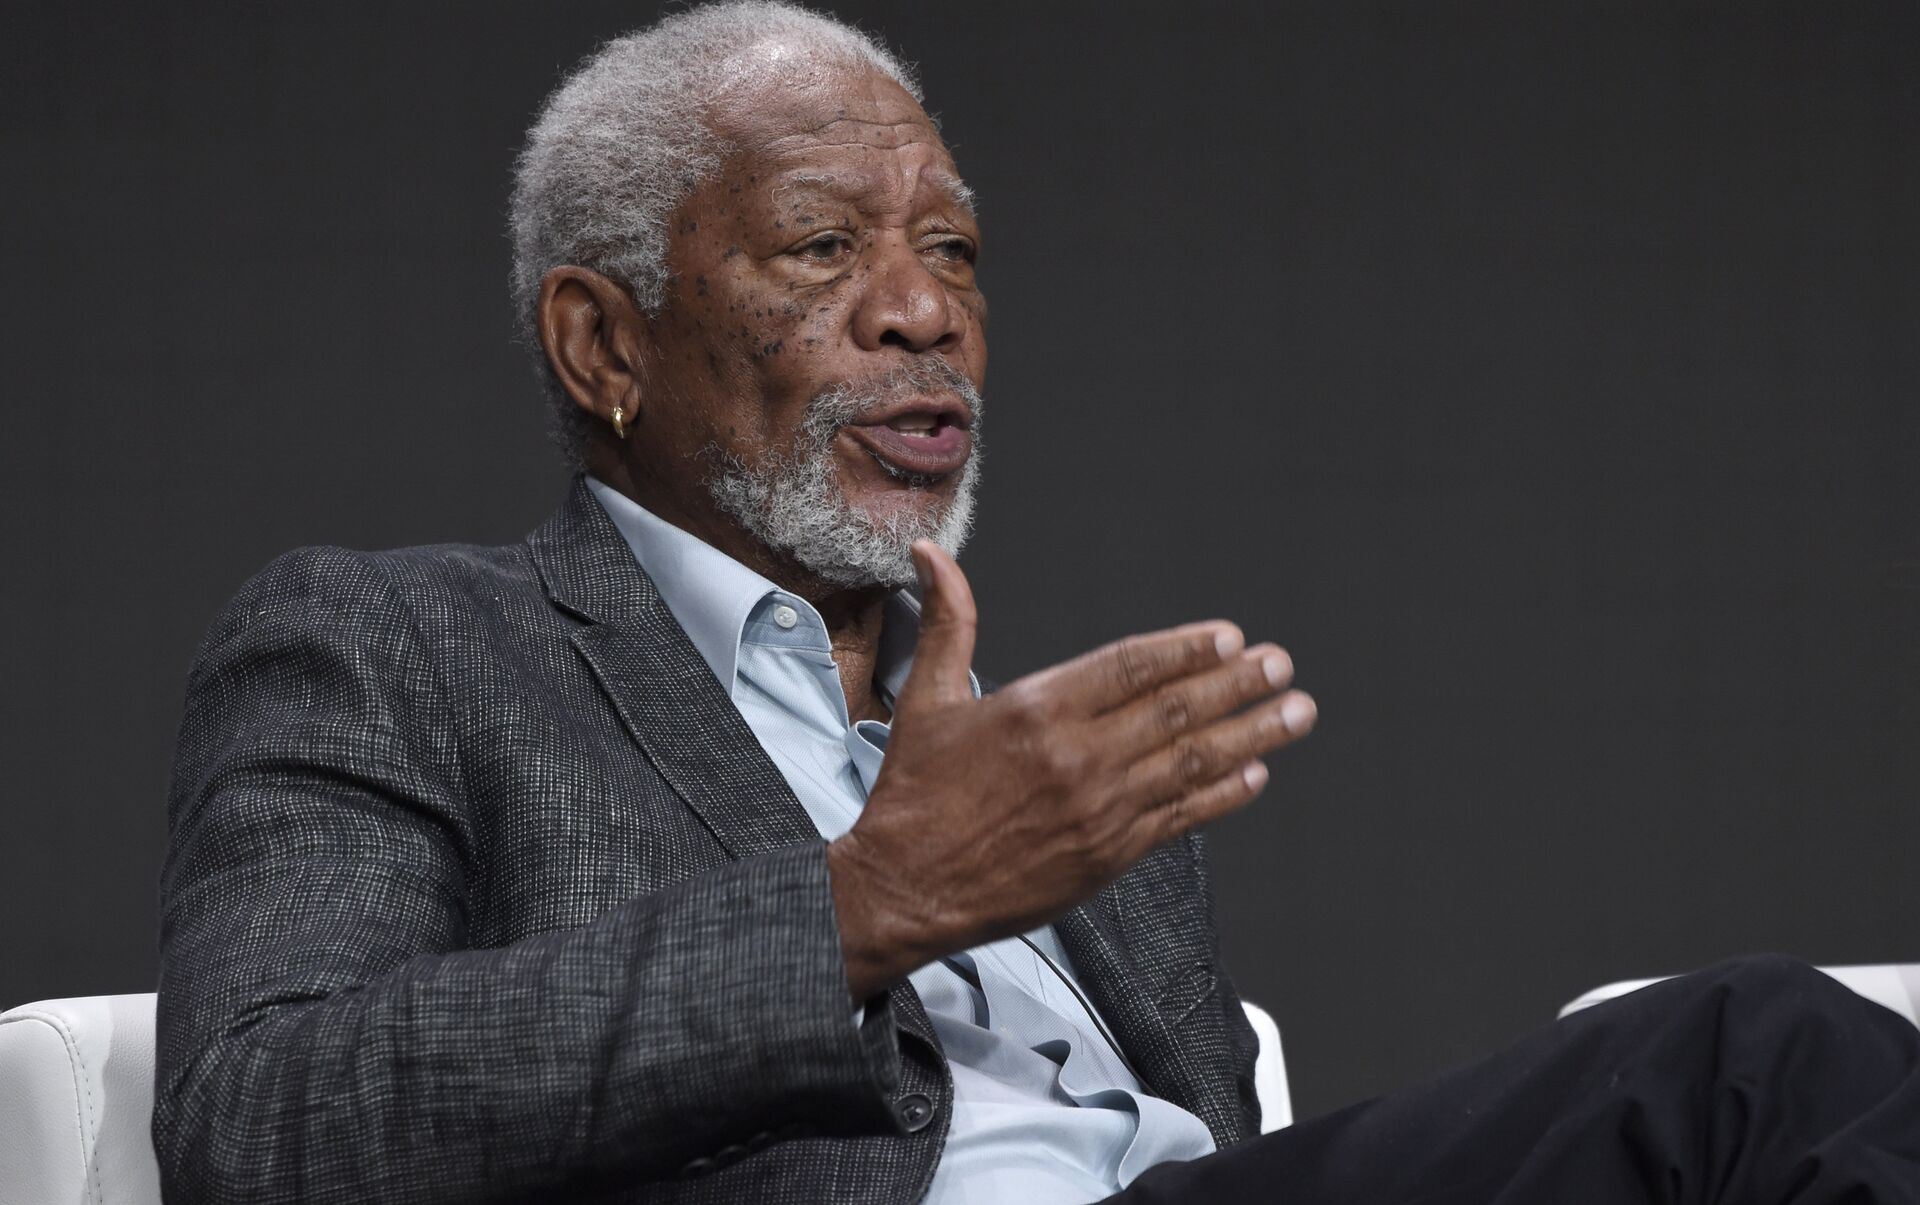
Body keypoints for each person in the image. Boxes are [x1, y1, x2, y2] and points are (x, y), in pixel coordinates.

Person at [153, 4, 1920, 1202]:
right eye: (826, 246)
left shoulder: (1045, 769)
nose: (925, 312)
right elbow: (265, 1118)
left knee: (1755, 1093)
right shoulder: (396, 645)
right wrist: (865, 907)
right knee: (1747, 1058)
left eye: (955, 253)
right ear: (602, 343)